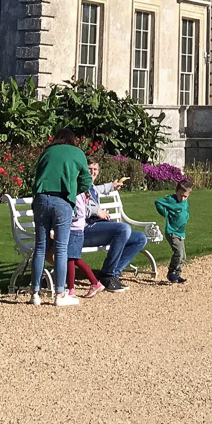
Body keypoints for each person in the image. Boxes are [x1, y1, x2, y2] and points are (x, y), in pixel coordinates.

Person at [29, 129, 93, 307]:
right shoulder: (77, 153)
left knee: (40, 247)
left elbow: (37, 178)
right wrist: (74, 191)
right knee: (61, 248)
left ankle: (35, 293)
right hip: (63, 200)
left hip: (41, 198)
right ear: (73, 140)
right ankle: (60, 294)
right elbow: (87, 180)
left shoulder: (47, 152)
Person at [81, 158, 149, 292]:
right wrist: (97, 211)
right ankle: (107, 274)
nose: (93, 172)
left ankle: (113, 273)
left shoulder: (91, 187)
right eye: (89, 169)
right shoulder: (79, 186)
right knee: (123, 229)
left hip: (97, 227)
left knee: (140, 238)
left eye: (95, 170)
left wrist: (112, 186)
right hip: (85, 230)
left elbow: (99, 189)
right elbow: (77, 208)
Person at [64, 187, 103, 298]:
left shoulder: (76, 196)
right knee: (74, 258)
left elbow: (77, 214)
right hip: (77, 230)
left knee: (71, 259)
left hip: (74, 230)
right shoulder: (81, 195)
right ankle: (93, 283)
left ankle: (72, 289)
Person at [154, 180, 193, 284]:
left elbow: (186, 209)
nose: (182, 198)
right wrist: (165, 213)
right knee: (178, 253)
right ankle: (171, 272)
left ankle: (177, 273)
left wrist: (187, 215)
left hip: (181, 232)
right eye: (181, 195)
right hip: (172, 232)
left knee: (183, 256)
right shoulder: (171, 200)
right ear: (176, 191)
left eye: (185, 196)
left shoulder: (184, 201)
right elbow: (157, 202)